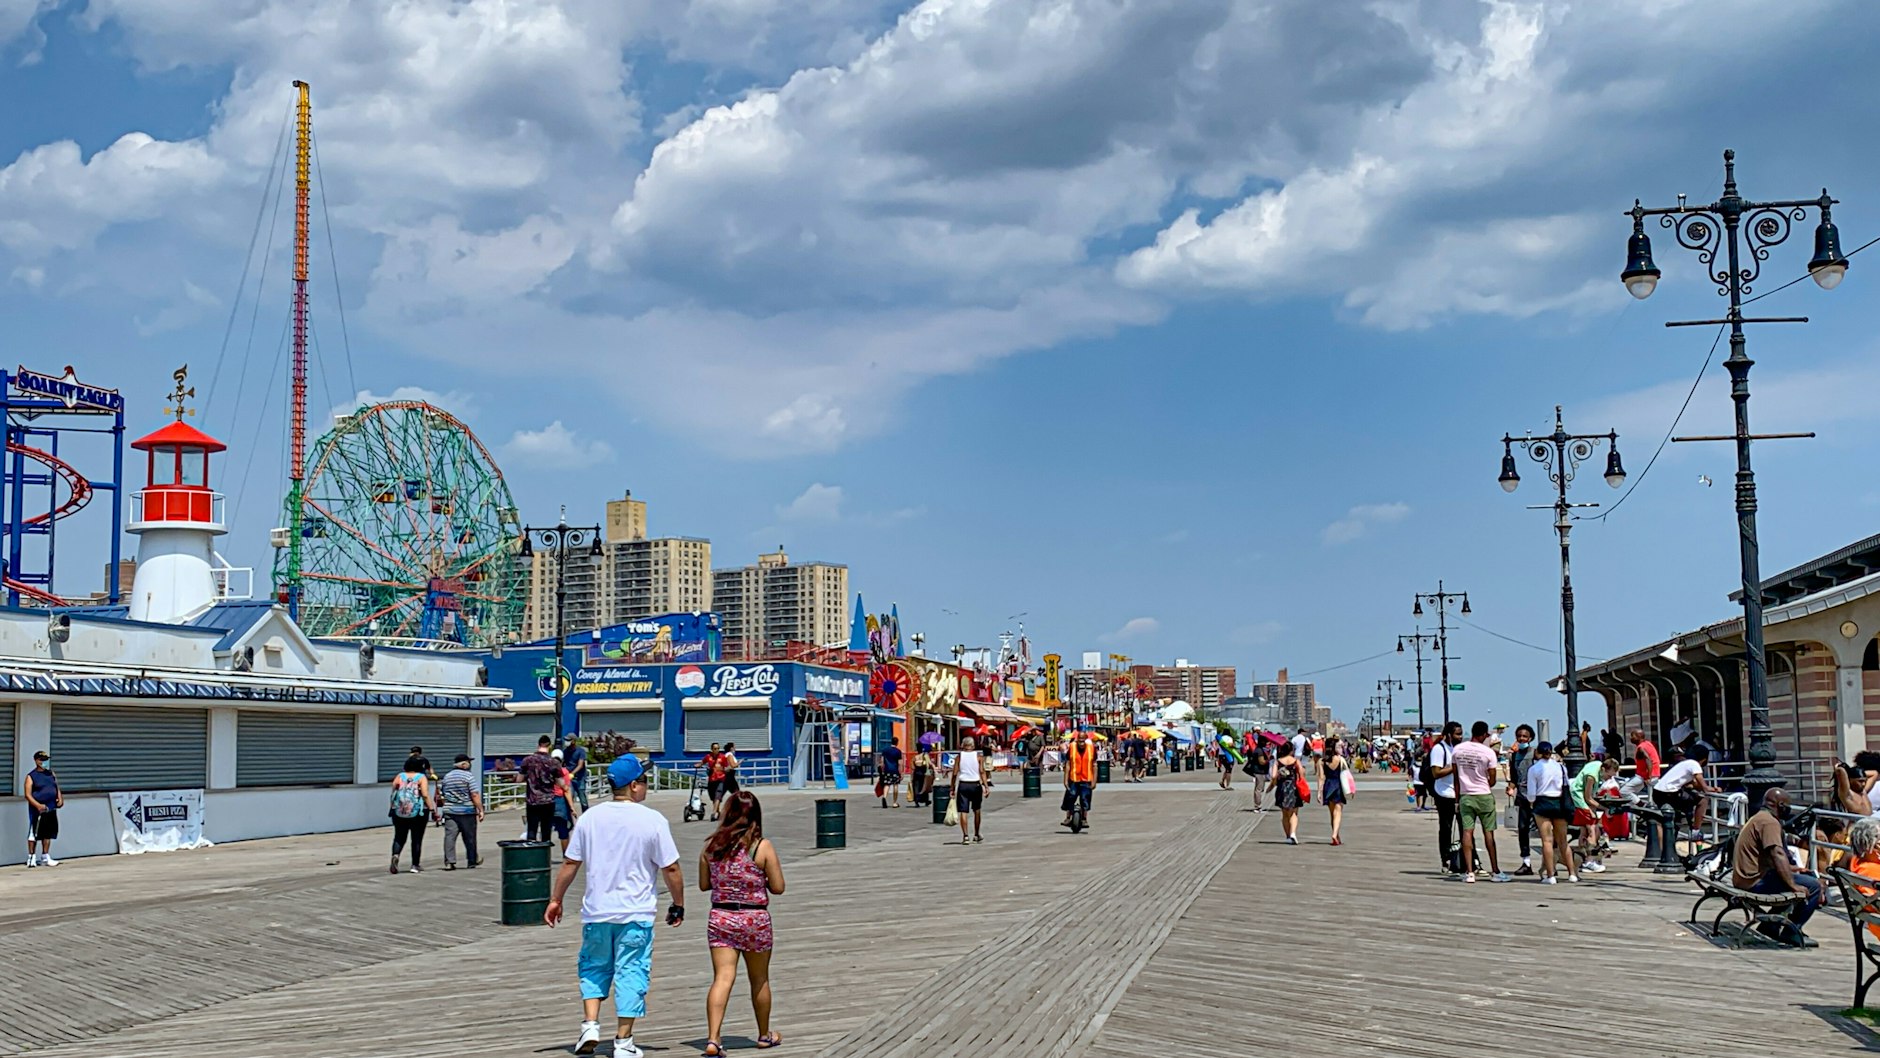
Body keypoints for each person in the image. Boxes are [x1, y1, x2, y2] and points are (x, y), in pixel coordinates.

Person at [547, 755, 685, 1058]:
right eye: (644, 781)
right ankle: (624, 1041)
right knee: (632, 972)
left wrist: (556, 899)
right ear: (634, 785)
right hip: (635, 913)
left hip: (597, 911)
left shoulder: (590, 818)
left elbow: (571, 862)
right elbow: (671, 868)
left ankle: (590, 1025)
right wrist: (678, 904)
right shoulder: (652, 820)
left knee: (593, 967)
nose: (646, 786)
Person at [697, 791, 785, 1055]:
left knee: (722, 978)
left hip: (721, 917)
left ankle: (713, 1039)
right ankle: (763, 1035)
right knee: (759, 979)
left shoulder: (711, 846)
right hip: (754, 918)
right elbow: (778, 887)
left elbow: (704, 885)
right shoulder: (761, 846)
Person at [1731, 787, 1822, 944]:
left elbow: (1768, 859)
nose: (1788, 809)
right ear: (1780, 805)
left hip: (1744, 878)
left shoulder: (1758, 818)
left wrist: (1794, 870)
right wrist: (1793, 884)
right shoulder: (1769, 823)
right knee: (1813, 886)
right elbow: (1777, 854)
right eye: (1787, 805)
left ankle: (1771, 926)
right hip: (1753, 882)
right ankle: (1792, 931)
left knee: (1802, 877)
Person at [1453, 721, 1510, 882]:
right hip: (1483, 794)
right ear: (1485, 735)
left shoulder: (1458, 750)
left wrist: (1457, 800)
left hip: (1465, 795)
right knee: (1488, 833)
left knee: (1467, 832)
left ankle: (1469, 872)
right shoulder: (1488, 753)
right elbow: (1491, 780)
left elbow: (1456, 778)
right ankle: (1495, 871)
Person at [1524, 741, 1577, 883]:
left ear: (1538, 753)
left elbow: (1531, 793)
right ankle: (1572, 873)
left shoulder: (1534, 769)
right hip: (1559, 803)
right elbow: (1566, 786)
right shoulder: (1560, 767)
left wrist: (1531, 803)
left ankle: (1551, 875)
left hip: (1542, 803)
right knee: (1563, 841)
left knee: (1547, 841)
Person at [1569, 756, 1619, 875]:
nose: (1609, 779)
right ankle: (1589, 862)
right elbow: (1588, 797)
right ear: (1603, 769)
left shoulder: (1597, 764)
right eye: (1609, 775)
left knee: (1583, 831)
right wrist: (1604, 808)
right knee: (1593, 830)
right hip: (1579, 798)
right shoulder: (1591, 776)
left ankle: (1580, 860)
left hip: (1578, 795)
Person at [1652, 743, 1711, 834]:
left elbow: (1694, 784)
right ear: (1704, 758)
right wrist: (1708, 788)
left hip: (1658, 792)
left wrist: (1708, 788)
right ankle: (1696, 831)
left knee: (1674, 819)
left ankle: (1670, 838)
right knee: (1703, 800)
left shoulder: (1684, 763)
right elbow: (1701, 783)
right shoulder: (1694, 764)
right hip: (1669, 793)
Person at [439, 753, 484, 870]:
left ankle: (450, 861)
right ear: (464, 764)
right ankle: (472, 860)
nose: (469, 765)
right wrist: (480, 809)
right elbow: (474, 794)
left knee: (450, 837)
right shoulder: (468, 777)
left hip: (450, 810)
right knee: (469, 837)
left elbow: (443, 793)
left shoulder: (447, 776)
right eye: (469, 762)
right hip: (467, 810)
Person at [388, 754, 432, 874]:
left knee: (399, 836)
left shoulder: (399, 776)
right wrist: (432, 808)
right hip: (418, 812)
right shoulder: (421, 777)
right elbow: (425, 794)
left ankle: (396, 855)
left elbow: (394, 793)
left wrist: (392, 808)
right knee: (416, 838)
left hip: (399, 811)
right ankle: (415, 865)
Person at [1429, 721, 1463, 874]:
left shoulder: (1458, 749)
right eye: (1457, 734)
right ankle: (1446, 859)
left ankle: (1465, 860)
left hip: (1460, 793)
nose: (1460, 737)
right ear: (1449, 734)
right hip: (1444, 794)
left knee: (1465, 828)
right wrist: (1453, 768)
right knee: (1446, 828)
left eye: (1461, 733)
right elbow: (1436, 773)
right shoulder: (1439, 749)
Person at [1505, 724, 1538, 876]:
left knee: (1545, 829)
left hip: (1537, 797)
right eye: (1519, 736)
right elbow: (1514, 777)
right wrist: (1511, 787)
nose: (1521, 739)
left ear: (1530, 738)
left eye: (1524, 736)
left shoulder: (1535, 753)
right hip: (1521, 797)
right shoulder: (1514, 756)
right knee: (1522, 829)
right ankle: (1526, 862)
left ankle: (1551, 862)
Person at [519, 735, 564, 843]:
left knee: (532, 829)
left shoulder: (527, 760)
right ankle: (545, 855)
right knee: (546, 830)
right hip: (548, 800)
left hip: (532, 800)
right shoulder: (554, 762)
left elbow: (519, 779)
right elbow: (561, 783)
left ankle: (531, 856)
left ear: (538, 744)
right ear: (549, 745)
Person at [22, 750, 61, 867]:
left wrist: (60, 798)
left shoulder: (51, 774)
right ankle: (31, 856)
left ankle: (45, 856)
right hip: (37, 809)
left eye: (46, 760)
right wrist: (38, 805)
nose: (44, 762)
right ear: (36, 761)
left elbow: (56, 786)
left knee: (48, 833)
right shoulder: (31, 776)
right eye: (42, 760)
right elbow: (27, 795)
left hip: (50, 807)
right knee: (34, 832)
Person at [951, 735, 989, 843]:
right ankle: (976, 834)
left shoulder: (959, 757)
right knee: (977, 810)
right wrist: (986, 786)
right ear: (973, 745)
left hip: (963, 784)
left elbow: (954, 774)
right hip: (975, 784)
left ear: (963, 745)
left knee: (963, 811)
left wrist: (952, 787)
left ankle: (965, 836)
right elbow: (982, 772)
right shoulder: (978, 757)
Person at [1317, 738, 1349, 846]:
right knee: (1338, 812)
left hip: (1328, 785)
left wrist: (1319, 792)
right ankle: (1335, 835)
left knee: (1332, 814)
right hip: (1338, 785)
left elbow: (1321, 777)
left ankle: (1336, 836)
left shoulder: (1321, 761)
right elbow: (1346, 774)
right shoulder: (1340, 759)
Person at [1062, 730, 1097, 828]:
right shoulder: (1072, 747)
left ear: (1086, 740)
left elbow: (1094, 765)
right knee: (1070, 797)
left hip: (1087, 779)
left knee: (1085, 799)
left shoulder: (1091, 748)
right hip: (1073, 778)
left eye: (1083, 741)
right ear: (1077, 740)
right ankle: (1068, 818)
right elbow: (1068, 764)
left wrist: (1094, 781)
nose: (1081, 743)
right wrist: (1065, 779)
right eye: (1079, 740)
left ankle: (1084, 819)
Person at [1273, 742, 1305, 844]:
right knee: (1294, 813)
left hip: (1282, 787)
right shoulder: (1296, 761)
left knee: (1285, 813)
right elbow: (1301, 774)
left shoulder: (1278, 762)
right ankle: (1293, 833)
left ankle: (1287, 836)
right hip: (1294, 788)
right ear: (1291, 750)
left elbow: (1273, 776)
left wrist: (1275, 782)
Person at [552, 750, 583, 853]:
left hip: (547, 801)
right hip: (560, 802)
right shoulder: (563, 772)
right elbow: (567, 790)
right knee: (563, 830)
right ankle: (566, 854)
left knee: (546, 830)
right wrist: (572, 807)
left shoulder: (545, 770)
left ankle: (543, 856)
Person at [703, 744, 730, 821]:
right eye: (715, 748)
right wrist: (698, 765)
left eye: (718, 748)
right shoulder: (708, 757)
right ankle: (718, 812)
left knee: (718, 795)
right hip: (711, 779)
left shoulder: (722, 757)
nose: (717, 750)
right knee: (713, 797)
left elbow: (727, 766)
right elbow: (702, 762)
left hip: (720, 779)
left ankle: (714, 813)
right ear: (712, 749)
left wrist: (726, 769)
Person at [566, 734, 591, 812]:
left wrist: (572, 773)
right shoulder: (565, 751)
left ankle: (586, 815)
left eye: (568, 740)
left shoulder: (580, 751)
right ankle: (570, 820)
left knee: (582, 798)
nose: (566, 742)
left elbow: (580, 765)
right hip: (569, 779)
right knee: (570, 798)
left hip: (579, 778)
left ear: (573, 741)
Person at [878, 739, 904, 809]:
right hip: (895, 770)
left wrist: (882, 771)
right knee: (895, 785)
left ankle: (884, 797)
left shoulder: (885, 750)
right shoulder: (898, 751)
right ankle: (894, 802)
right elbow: (900, 763)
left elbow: (882, 762)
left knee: (887, 785)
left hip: (887, 770)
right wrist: (901, 773)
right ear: (897, 743)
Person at [1246, 741, 1271, 812]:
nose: (1267, 743)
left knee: (1259, 788)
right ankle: (1257, 806)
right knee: (1259, 789)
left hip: (1260, 771)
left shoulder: (1258, 749)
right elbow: (1261, 762)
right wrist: (1268, 759)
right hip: (1259, 771)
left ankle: (1258, 805)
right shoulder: (1259, 751)